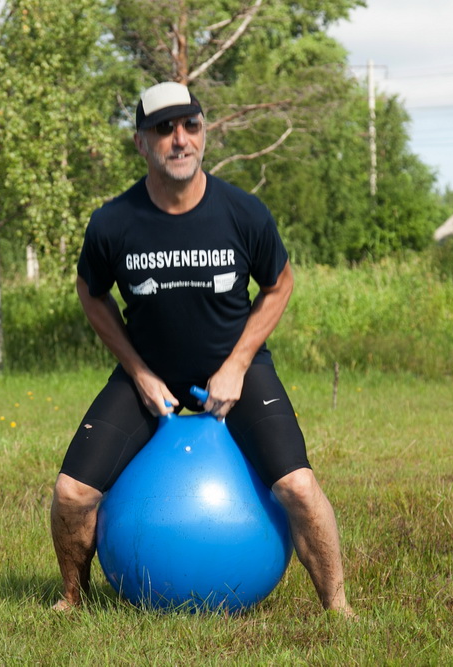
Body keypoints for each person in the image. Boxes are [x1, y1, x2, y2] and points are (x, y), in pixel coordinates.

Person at [49, 81, 353, 616]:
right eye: (163, 129)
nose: (180, 139)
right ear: (141, 143)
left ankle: (339, 608)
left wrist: (237, 364)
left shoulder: (243, 212)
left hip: (235, 372)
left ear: (204, 133)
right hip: (149, 376)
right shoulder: (113, 222)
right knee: (72, 494)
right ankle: (73, 599)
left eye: (191, 125)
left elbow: (280, 283)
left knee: (300, 488)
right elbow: (90, 293)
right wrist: (139, 372)